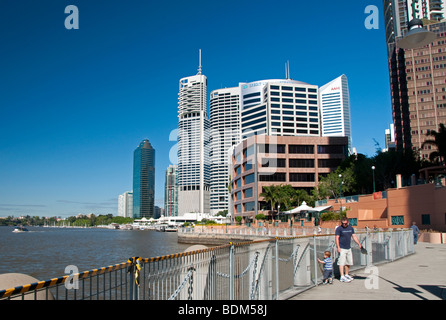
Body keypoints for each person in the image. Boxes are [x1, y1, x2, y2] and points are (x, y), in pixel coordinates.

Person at [335, 217, 364, 283]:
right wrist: (338, 247)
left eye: (345, 223)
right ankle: (342, 276)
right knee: (341, 262)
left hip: (348, 247)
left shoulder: (350, 228)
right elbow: (337, 238)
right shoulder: (339, 229)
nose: (344, 225)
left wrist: (359, 244)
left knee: (348, 262)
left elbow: (354, 236)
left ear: (347, 222)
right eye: (343, 223)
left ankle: (346, 274)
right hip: (342, 248)